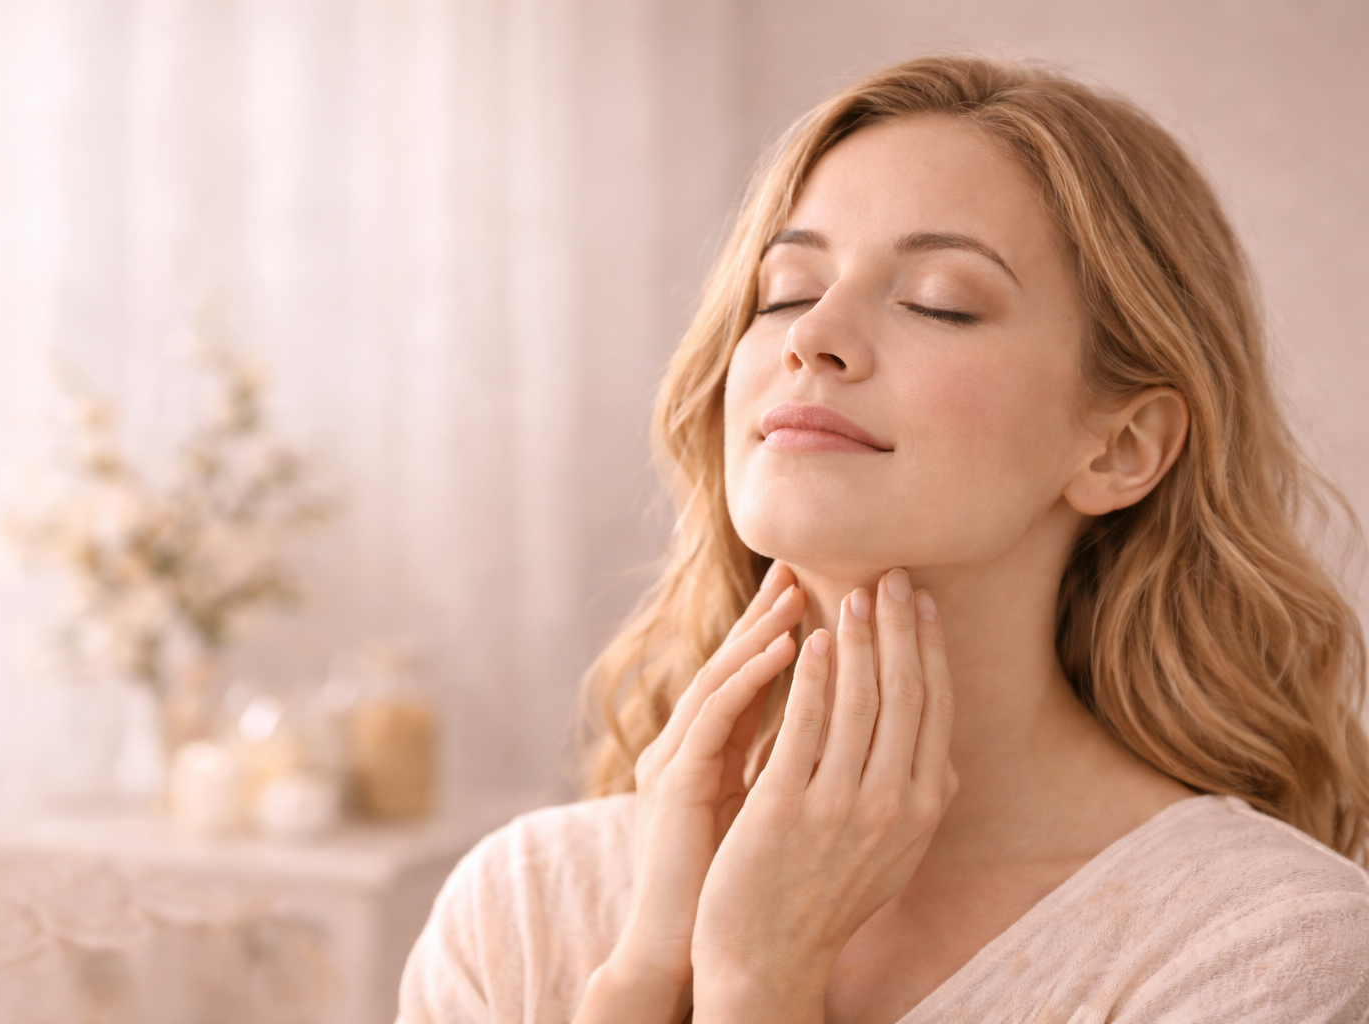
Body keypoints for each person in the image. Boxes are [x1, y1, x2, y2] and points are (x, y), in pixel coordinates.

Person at [396, 55, 1369, 1023]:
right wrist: (646, 974)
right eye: (783, 290)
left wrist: (757, 982)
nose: (811, 335)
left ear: (1121, 446)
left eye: (938, 299)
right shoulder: (522, 909)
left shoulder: (1271, 952)